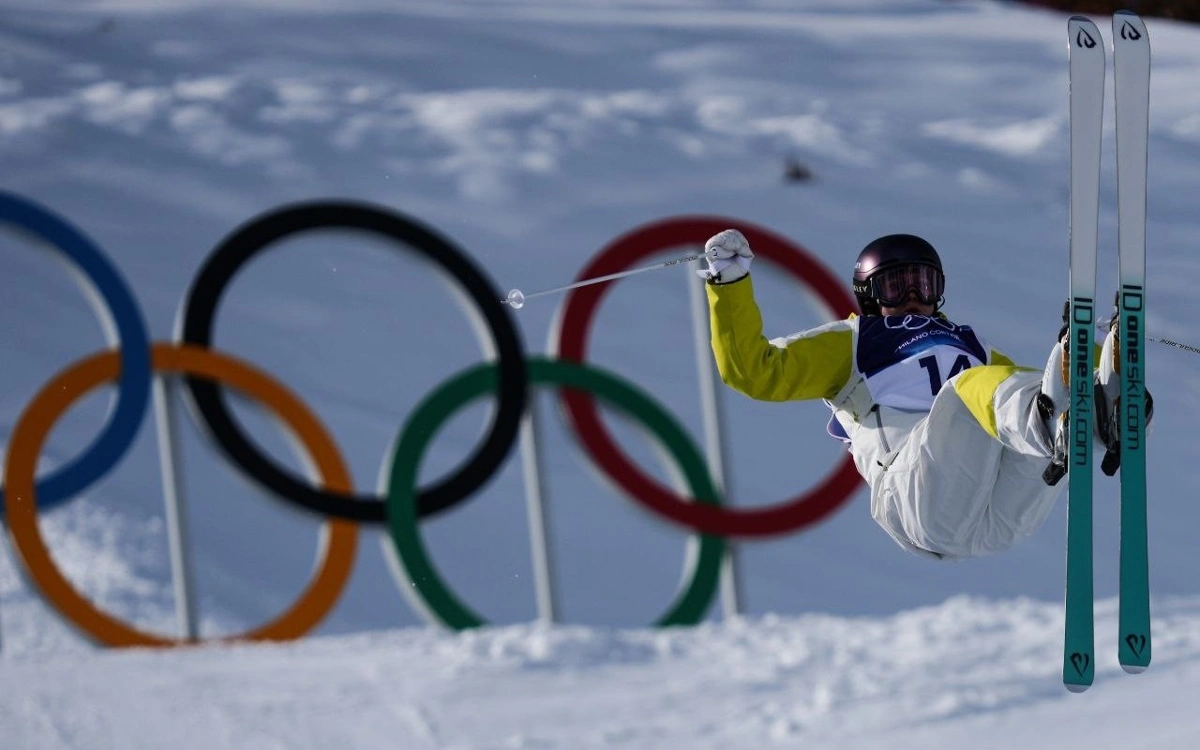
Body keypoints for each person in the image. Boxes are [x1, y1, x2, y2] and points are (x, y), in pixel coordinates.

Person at [699, 228, 1137, 561]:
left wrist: (1084, 362)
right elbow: (755, 372)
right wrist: (730, 283)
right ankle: (1053, 426)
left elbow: (1028, 387)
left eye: (922, 285)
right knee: (970, 391)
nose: (912, 297)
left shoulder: (969, 344)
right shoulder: (852, 340)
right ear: (870, 293)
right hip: (915, 497)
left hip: (999, 520)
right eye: (895, 286)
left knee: (1017, 392)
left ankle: (1106, 412)